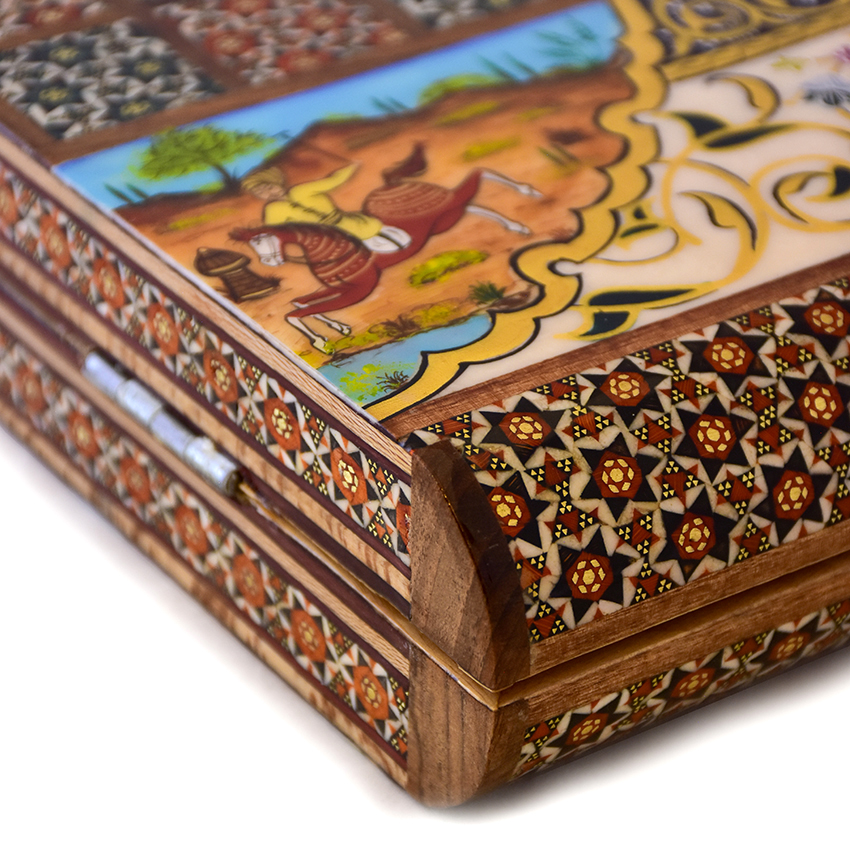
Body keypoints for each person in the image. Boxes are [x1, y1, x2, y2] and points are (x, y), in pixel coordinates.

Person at [241, 163, 411, 253]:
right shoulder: (273, 210)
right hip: (324, 242)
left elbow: (333, 181)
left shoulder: (301, 190)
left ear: (277, 182)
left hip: (352, 225)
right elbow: (276, 232)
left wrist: (353, 165)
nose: (267, 193)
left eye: (268, 187)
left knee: (392, 243)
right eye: (259, 192)